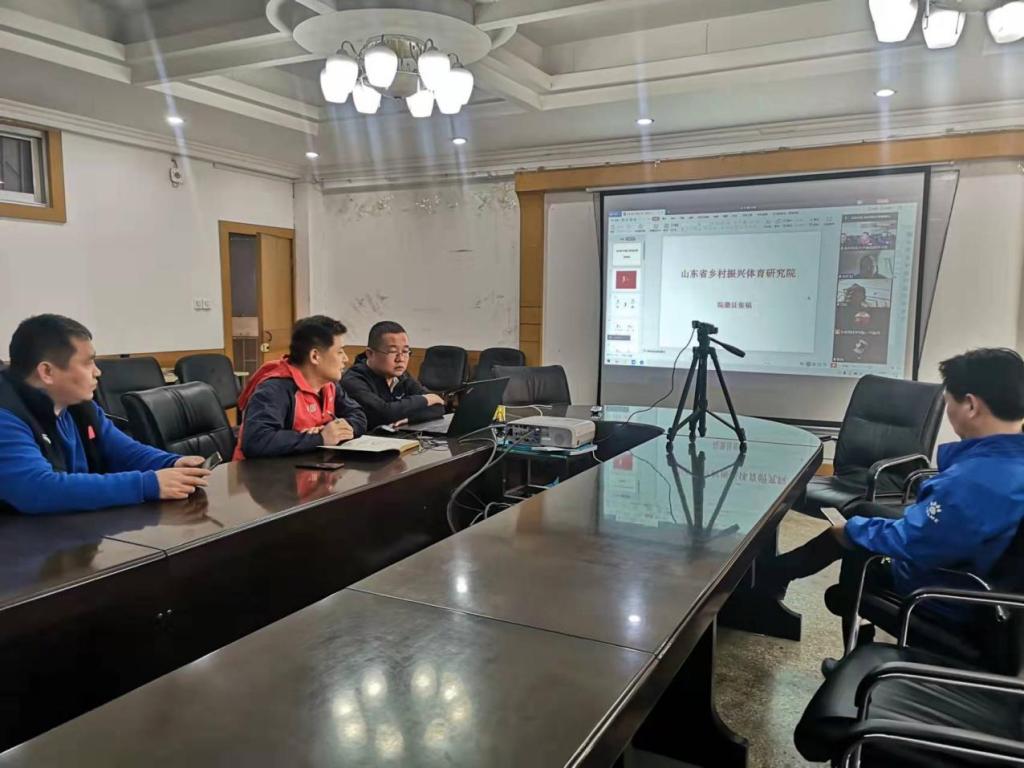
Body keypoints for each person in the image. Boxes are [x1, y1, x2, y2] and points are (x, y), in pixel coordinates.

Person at [762, 348, 1024, 625]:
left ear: (970, 406)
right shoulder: (1002, 466)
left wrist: (852, 530)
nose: (949, 411)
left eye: (949, 402)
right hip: (985, 583)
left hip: (943, 595)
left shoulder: (972, 481)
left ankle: (787, 585)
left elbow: (916, 541)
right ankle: (776, 575)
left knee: (854, 536)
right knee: (863, 512)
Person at [0, 314, 211, 515]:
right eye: (87, 362)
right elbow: (37, 489)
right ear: (47, 372)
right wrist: (147, 484)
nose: (97, 372)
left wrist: (172, 463)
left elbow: (124, 452)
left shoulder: (78, 405)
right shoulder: (6, 416)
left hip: (72, 528)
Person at [234, 315, 367, 459]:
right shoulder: (275, 389)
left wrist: (339, 430)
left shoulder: (329, 384)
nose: (346, 359)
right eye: (339, 351)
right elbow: (257, 441)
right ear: (315, 356)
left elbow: (358, 415)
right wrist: (319, 438)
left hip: (308, 464)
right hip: (262, 471)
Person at [341, 320, 444, 430]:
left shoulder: (401, 376)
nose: (401, 359)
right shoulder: (353, 380)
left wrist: (410, 418)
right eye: (393, 352)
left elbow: (439, 407)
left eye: (405, 351)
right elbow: (384, 413)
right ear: (370, 354)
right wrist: (425, 399)